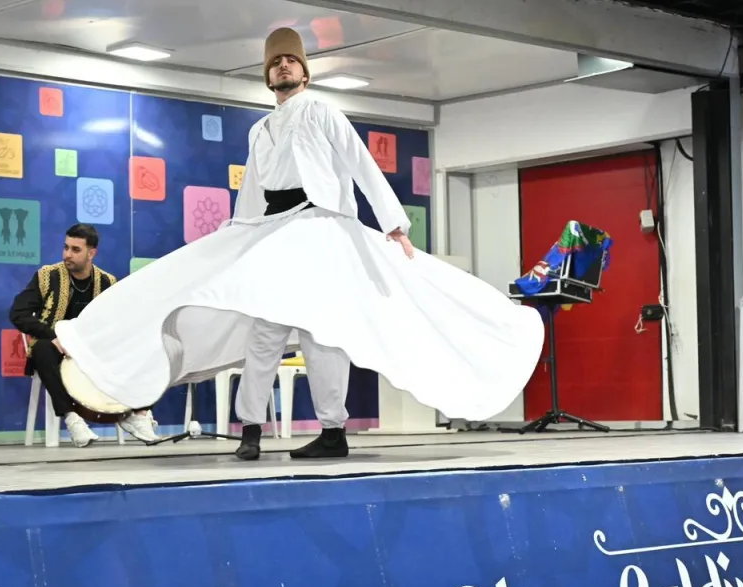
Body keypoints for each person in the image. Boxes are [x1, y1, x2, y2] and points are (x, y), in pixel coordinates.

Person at [54, 27, 543, 461]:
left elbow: (359, 162)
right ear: (268, 77)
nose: (283, 66)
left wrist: (393, 222)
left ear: (305, 73)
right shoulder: (260, 129)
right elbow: (253, 191)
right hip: (277, 232)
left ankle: (333, 431)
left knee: (324, 334)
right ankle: (250, 430)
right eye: (275, 62)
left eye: (291, 60)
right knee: (263, 332)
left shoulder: (322, 111)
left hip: (320, 228)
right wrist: (235, 231)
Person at [9, 224, 159, 446]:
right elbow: (18, 313)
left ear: (91, 253)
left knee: (146, 348)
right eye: (66, 247)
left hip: (94, 352)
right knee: (41, 348)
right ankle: (73, 419)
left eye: (75, 249)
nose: (67, 254)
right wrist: (51, 335)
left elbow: (119, 321)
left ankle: (138, 414)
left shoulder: (107, 282)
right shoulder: (47, 276)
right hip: (56, 349)